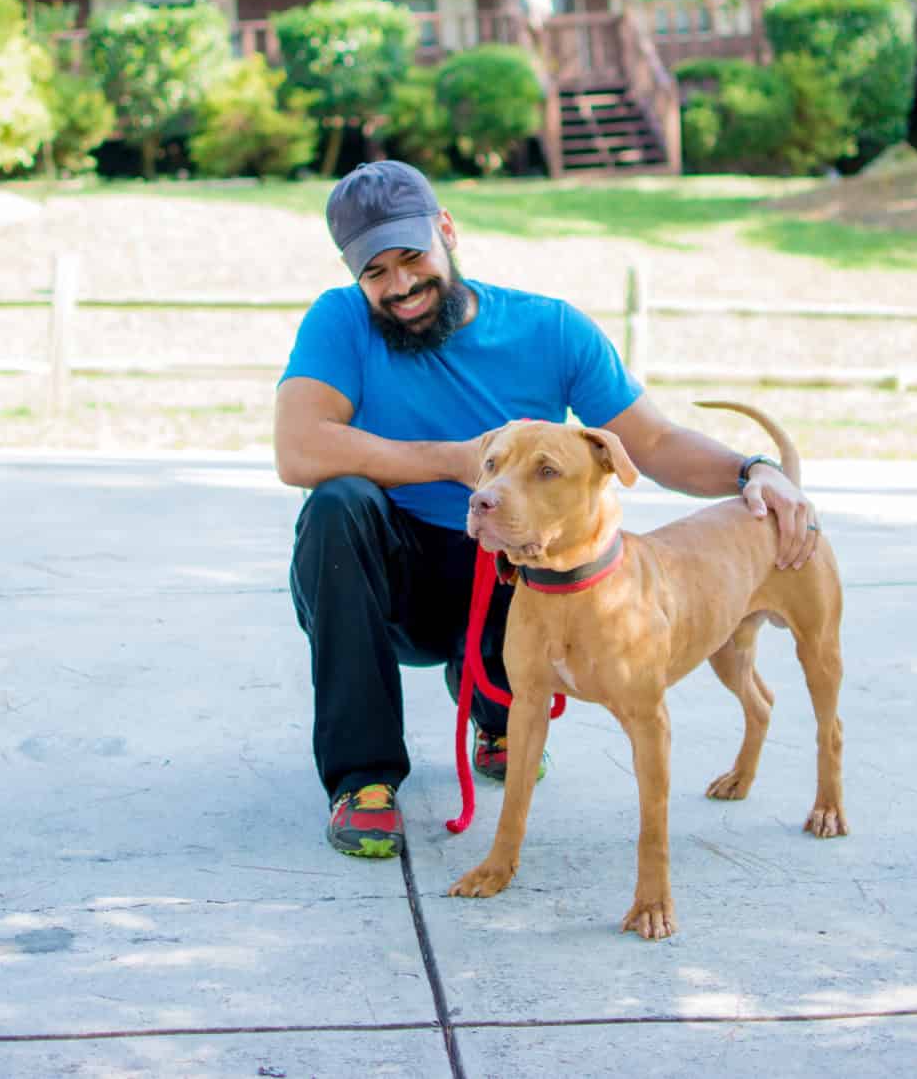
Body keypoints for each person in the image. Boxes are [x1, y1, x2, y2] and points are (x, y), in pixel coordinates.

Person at [274, 160, 819, 859]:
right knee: (336, 507)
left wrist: (753, 469)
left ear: (447, 229)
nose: (400, 286)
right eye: (375, 273)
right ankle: (364, 779)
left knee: (571, 554)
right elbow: (297, 448)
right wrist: (453, 459)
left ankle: (499, 714)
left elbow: (651, 440)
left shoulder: (551, 329)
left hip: (518, 569)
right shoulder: (339, 321)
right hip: (397, 574)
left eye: (412, 258)